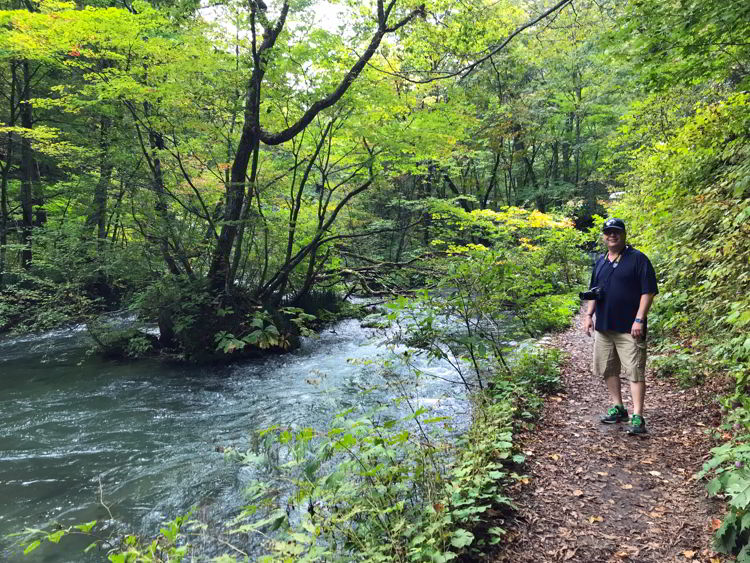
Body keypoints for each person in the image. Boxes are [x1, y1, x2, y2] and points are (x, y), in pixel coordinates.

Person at [582, 218, 658, 435]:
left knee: (635, 371)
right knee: (608, 368)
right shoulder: (600, 262)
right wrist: (588, 315)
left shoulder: (638, 259)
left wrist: (639, 319)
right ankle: (619, 407)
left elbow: (648, 291)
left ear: (623, 234)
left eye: (616, 232)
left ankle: (638, 417)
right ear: (604, 236)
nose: (612, 235)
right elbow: (594, 292)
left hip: (629, 327)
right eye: (608, 232)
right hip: (604, 327)